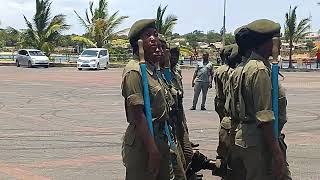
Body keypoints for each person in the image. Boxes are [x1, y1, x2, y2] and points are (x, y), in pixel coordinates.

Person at [232, 19, 291, 180]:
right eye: (277, 40)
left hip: (256, 139)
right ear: (268, 43)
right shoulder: (258, 70)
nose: (279, 45)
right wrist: (277, 152)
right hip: (261, 142)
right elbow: (264, 115)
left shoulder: (254, 65)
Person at [121, 19, 171, 180]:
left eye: (155, 34)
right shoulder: (134, 71)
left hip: (160, 137)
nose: (153, 38)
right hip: (144, 143)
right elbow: (138, 114)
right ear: (138, 43)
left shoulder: (152, 69)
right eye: (148, 35)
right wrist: (152, 150)